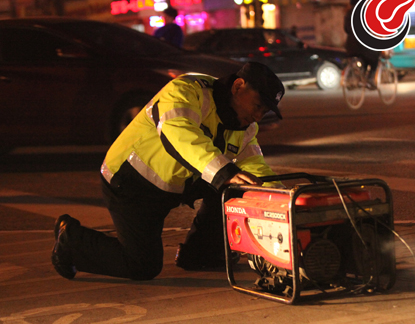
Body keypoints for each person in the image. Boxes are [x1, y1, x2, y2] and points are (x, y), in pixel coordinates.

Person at [51, 62, 285, 280]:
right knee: (142, 266)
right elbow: (180, 134)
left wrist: (282, 197)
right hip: (132, 183)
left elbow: (253, 164)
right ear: (238, 86)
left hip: (177, 184)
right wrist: (225, 172)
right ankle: (71, 240)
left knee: (237, 186)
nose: (258, 116)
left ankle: (200, 255)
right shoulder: (186, 90)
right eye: (258, 106)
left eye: (265, 111)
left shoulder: (245, 126)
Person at [344, 0, 381, 88]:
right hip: (362, 45)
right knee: (375, 58)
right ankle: (370, 78)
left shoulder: (348, 14)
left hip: (350, 47)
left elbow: (346, 29)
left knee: (364, 58)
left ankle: (360, 77)